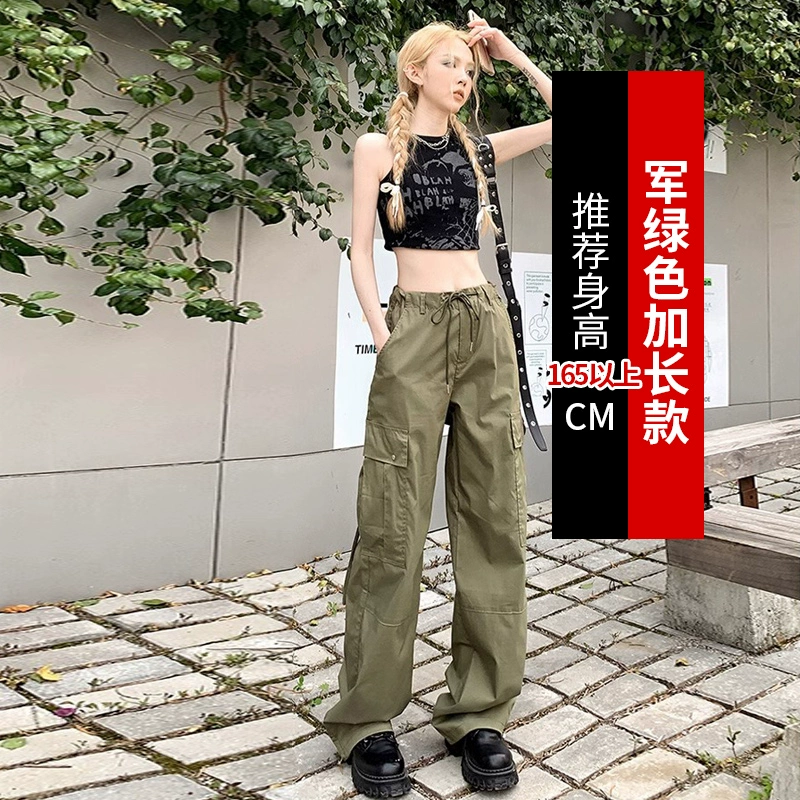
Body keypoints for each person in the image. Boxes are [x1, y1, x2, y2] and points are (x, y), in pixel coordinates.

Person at [322, 14, 552, 798]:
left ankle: (477, 711)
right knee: (392, 518)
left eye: (469, 68)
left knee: (494, 512)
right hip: (413, 329)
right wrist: (384, 335)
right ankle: (368, 718)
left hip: (483, 326)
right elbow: (360, 249)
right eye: (450, 64)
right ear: (415, 71)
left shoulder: (478, 148)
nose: (463, 76)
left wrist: (511, 54)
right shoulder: (376, 149)